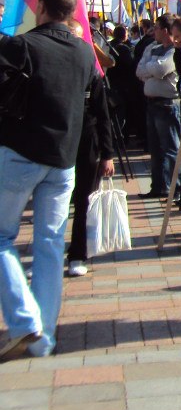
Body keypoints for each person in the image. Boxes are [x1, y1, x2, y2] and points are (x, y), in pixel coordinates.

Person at [0, 0, 98, 361]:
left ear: (40, 7)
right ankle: (43, 338)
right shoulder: (85, 52)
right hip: (62, 159)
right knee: (50, 245)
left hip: (22, 153)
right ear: (71, 13)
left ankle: (27, 321)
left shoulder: (22, 46)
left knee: (2, 237)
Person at [65, 21, 117, 279]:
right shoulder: (53, 65)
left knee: (83, 200)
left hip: (86, 142)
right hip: (57, 144)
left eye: (79, 38)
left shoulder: (91, 70)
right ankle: (47, 255)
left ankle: (78, 253)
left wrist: (107, 154)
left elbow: (103, 114)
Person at [135, 14, 181, 200]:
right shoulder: (152, 48)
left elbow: (162, 69)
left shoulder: (175, 49)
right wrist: (152, 68)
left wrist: (151, 68)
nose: (153, 31)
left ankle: (177, 189)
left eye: (156, 28)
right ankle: (159, 186)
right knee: (155, 149)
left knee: (171, 148)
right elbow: (139, 70)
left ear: (165, 30)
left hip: (167, 104)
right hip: (152, 103)